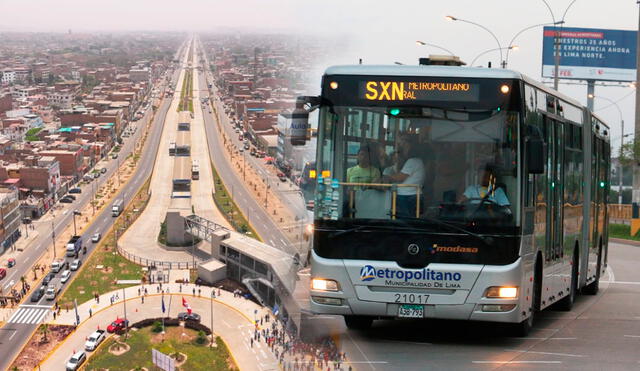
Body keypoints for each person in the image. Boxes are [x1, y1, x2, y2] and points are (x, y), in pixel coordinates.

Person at [382, 135, 425, 218]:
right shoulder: (416, 161)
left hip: (407, 197)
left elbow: (400, 177)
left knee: (405, 221)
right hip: (409, 196)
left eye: (405, 147)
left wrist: (387, 178)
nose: (403, 150)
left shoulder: (413, 161)